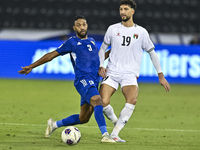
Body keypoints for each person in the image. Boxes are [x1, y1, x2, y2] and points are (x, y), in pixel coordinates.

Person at [18, 15, 115, 143]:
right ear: (74, 28)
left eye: (84, 24)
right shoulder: (72, 42)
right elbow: (51, 55)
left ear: (87, 26)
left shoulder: (91, 41)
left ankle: (54, 125)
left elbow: (97, 59)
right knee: (98, 101)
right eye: (79, 25)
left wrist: (114, 50)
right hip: (83, 80)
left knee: (84, 118)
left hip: (94, 80)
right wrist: (31, 66)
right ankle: (106, 135)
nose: (82, 27)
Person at [98, 0, 170, 142]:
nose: (122, 12)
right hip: (112, 72)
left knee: (132, 100)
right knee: (103, 102)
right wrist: (101, 65)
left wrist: (161, 76)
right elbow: (102, 49)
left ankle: (115, 134)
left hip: (130, 74)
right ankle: (115, 120)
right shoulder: (112, 29)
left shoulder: (141, 32)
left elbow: (152, 53)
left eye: (125, 9)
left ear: (132, 11)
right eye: (120, 9)